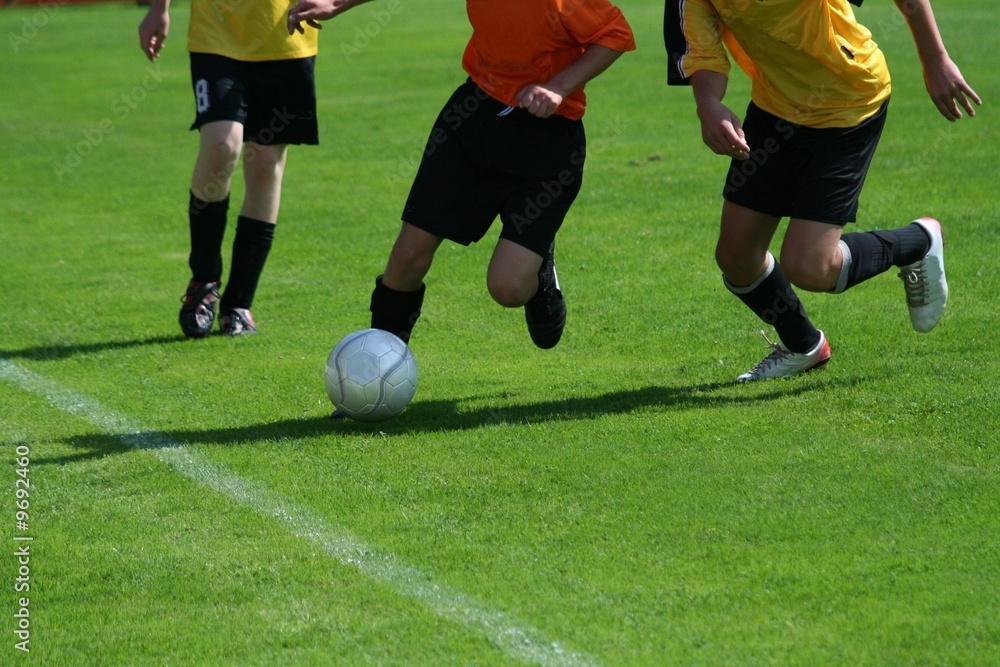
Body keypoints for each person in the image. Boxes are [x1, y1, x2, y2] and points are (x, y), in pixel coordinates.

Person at [287, 0, 635, 350]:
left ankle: (538, 270)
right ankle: (376, 364)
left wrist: (559, 86)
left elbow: (615, 34)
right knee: (408, 255)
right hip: (473, 118)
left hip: (548, 138)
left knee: (508, 288)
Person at [664, 0, 980, 381]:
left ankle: (917, 242)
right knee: (736, 256)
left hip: (848, 103)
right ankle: (804, 346)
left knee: (809, 266)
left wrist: (936, 60)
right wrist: (708, 104)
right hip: (775, 107)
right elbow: (702, 48)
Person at [139, 0, 322, 337]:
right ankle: (204, 279)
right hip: (217, 33)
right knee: (222, 145)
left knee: (266, 163)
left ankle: (238, 303)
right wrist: (159, 8)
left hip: (287, 35)